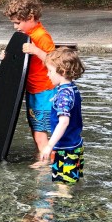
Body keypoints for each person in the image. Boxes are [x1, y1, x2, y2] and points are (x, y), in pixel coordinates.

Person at [3, 0, 56, 158]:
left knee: (42, 129)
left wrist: (36, 51)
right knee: (36, 127)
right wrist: (7, 56)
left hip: (45, 91)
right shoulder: (24, 36)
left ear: (31, 17)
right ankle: (43, 154)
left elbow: (56, 62)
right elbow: (19, 59)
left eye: (18, 22)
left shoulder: (41, 36)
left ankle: (47, 160)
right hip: (32, 90)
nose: (15, 27)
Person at [40, 47, 85, 184]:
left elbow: (64, 122)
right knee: (74, 179)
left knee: (62, 184)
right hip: (75, 144)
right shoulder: (72, 88)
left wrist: (49, 145)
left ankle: (64, 203)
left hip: (65, 150)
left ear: (63, 71)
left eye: (50, 71)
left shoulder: (63, 95)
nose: (48, 74)